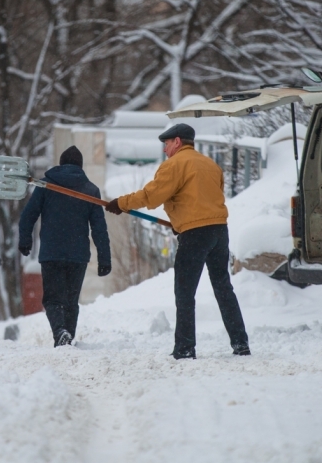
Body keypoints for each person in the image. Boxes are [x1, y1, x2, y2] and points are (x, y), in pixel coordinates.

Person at [105, 123, 250, 359]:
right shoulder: (211, 165)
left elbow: (152, 196)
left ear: (178, 142)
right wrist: (180, 221)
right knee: (223, 288)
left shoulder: (173, 165)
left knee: (185, 293)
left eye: (167, 144)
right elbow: (203, 198)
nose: (165, 150)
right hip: (219, 231)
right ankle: (240, 343)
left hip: (195, 235)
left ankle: (185, 348)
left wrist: (121, 203)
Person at [19, 145, 111, 347]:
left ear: (60, 164)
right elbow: (99, 228)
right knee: (70, 301)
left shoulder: (45, 186)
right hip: (77, 256)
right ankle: (66, 337)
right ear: (80, 166)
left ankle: (61, 334)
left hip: (52, 253)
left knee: (53, 299)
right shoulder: (90, 190)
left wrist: (25, 239)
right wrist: (104, 258)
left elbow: (28, 215)